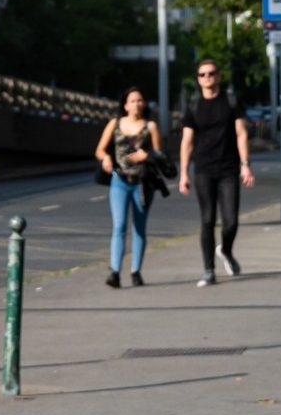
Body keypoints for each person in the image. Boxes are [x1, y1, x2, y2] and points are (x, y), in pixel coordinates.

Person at [177, 59, 257, 287]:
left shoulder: (231, 102)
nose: (207, 78)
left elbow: (241, 134)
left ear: (219, 76)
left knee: (230, 221)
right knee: (207, 220)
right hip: (203, 169)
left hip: (229, 168)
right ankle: (208, 270)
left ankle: (227, 251)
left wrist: (245, 164)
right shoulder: (193, 107)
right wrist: (184, 173)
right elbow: (187, 142)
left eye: (211, 73)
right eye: (202, 75)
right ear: (198, 80)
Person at [93, 89, 164, 288]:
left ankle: (135, 271)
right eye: (132, 100)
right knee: (119, 225)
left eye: (140, 100)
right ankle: (115, 272)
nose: (136, 104)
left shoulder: (151, 126)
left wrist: (147, 155)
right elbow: (99, 149)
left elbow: (160, 155)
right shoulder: (114, 124)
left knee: (139, 228)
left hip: (142, 183)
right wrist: (106, 158)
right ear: (125, 105)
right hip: (119, 181)